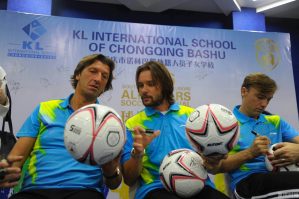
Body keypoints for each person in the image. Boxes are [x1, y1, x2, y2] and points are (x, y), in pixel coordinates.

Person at [0, 54, 122, 199]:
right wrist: (6, 172)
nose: (98, 79)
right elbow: (15, 159)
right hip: (35, 190)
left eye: (104, 76)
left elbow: (115, 183)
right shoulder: (44, 109)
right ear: (78, 74)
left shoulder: (110, 123)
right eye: (93, 71)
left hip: (83, 191)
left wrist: (111, 171)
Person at [121, 61, 229, 199]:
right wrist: (137, 154)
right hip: (156, 188)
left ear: (165, 85)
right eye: (140, 86)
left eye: (151, 84)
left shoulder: (192, 117)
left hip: (198, 185)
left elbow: (212, 167)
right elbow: (129, 179)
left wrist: (214, 157)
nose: (144, 90)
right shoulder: (133, 124)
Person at [206, 73, 299, 199]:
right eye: (260, 97)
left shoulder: (276, 121)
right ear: (244, 91)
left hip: (279, 180)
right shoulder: (226, 124)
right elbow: (216, 167)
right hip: (247, 185)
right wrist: (250, 153)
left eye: (268, 99)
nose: (264, 104)